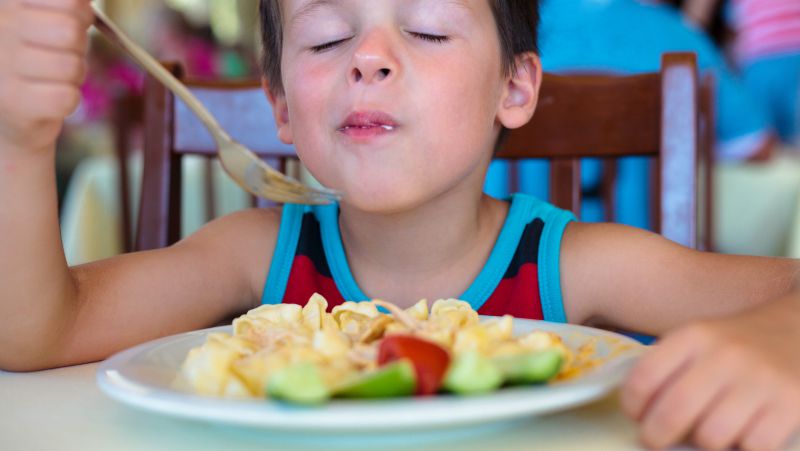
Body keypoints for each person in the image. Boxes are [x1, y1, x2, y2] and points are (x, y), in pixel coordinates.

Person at [0, 1, 798, 449]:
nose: (370, 58)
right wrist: (17, 144)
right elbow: (38, 331)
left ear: (514, 88)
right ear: (281, 105)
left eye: (426, 29)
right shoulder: (252, 254)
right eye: (326, 37)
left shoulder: (579, 267)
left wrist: (781, 337)